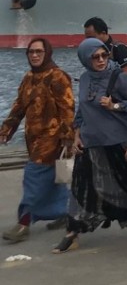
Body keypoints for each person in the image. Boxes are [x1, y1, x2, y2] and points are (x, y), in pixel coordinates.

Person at [53, 38, 127, 254]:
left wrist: (115, 105)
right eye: (95, 57)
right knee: (82, 188)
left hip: (119, 141)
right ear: (86, 58)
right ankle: (72, 232)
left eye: (104, 55)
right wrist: (76, 132)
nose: (102, 60)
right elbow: (83, 108)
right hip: (91, 143)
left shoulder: (118, 76)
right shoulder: (85, 78)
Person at [0, 38, 75, 243]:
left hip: (52, 138)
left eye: (39, 52)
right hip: (32, 139)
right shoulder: (28, 78)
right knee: (54, 179)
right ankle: (63, 213)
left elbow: (68, 109)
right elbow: (19, 106)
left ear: (47, 53)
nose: (34, 55)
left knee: (33, 177)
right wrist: (7, 129)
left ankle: (23, 222)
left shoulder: (58, 77)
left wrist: (68, 138)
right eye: (31, 52)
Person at [83, 17, 127, 84]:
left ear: (103, 33)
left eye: (92, 37)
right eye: (87, 38)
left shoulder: (118, 48)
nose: (88, 41)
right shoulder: (95, 49)